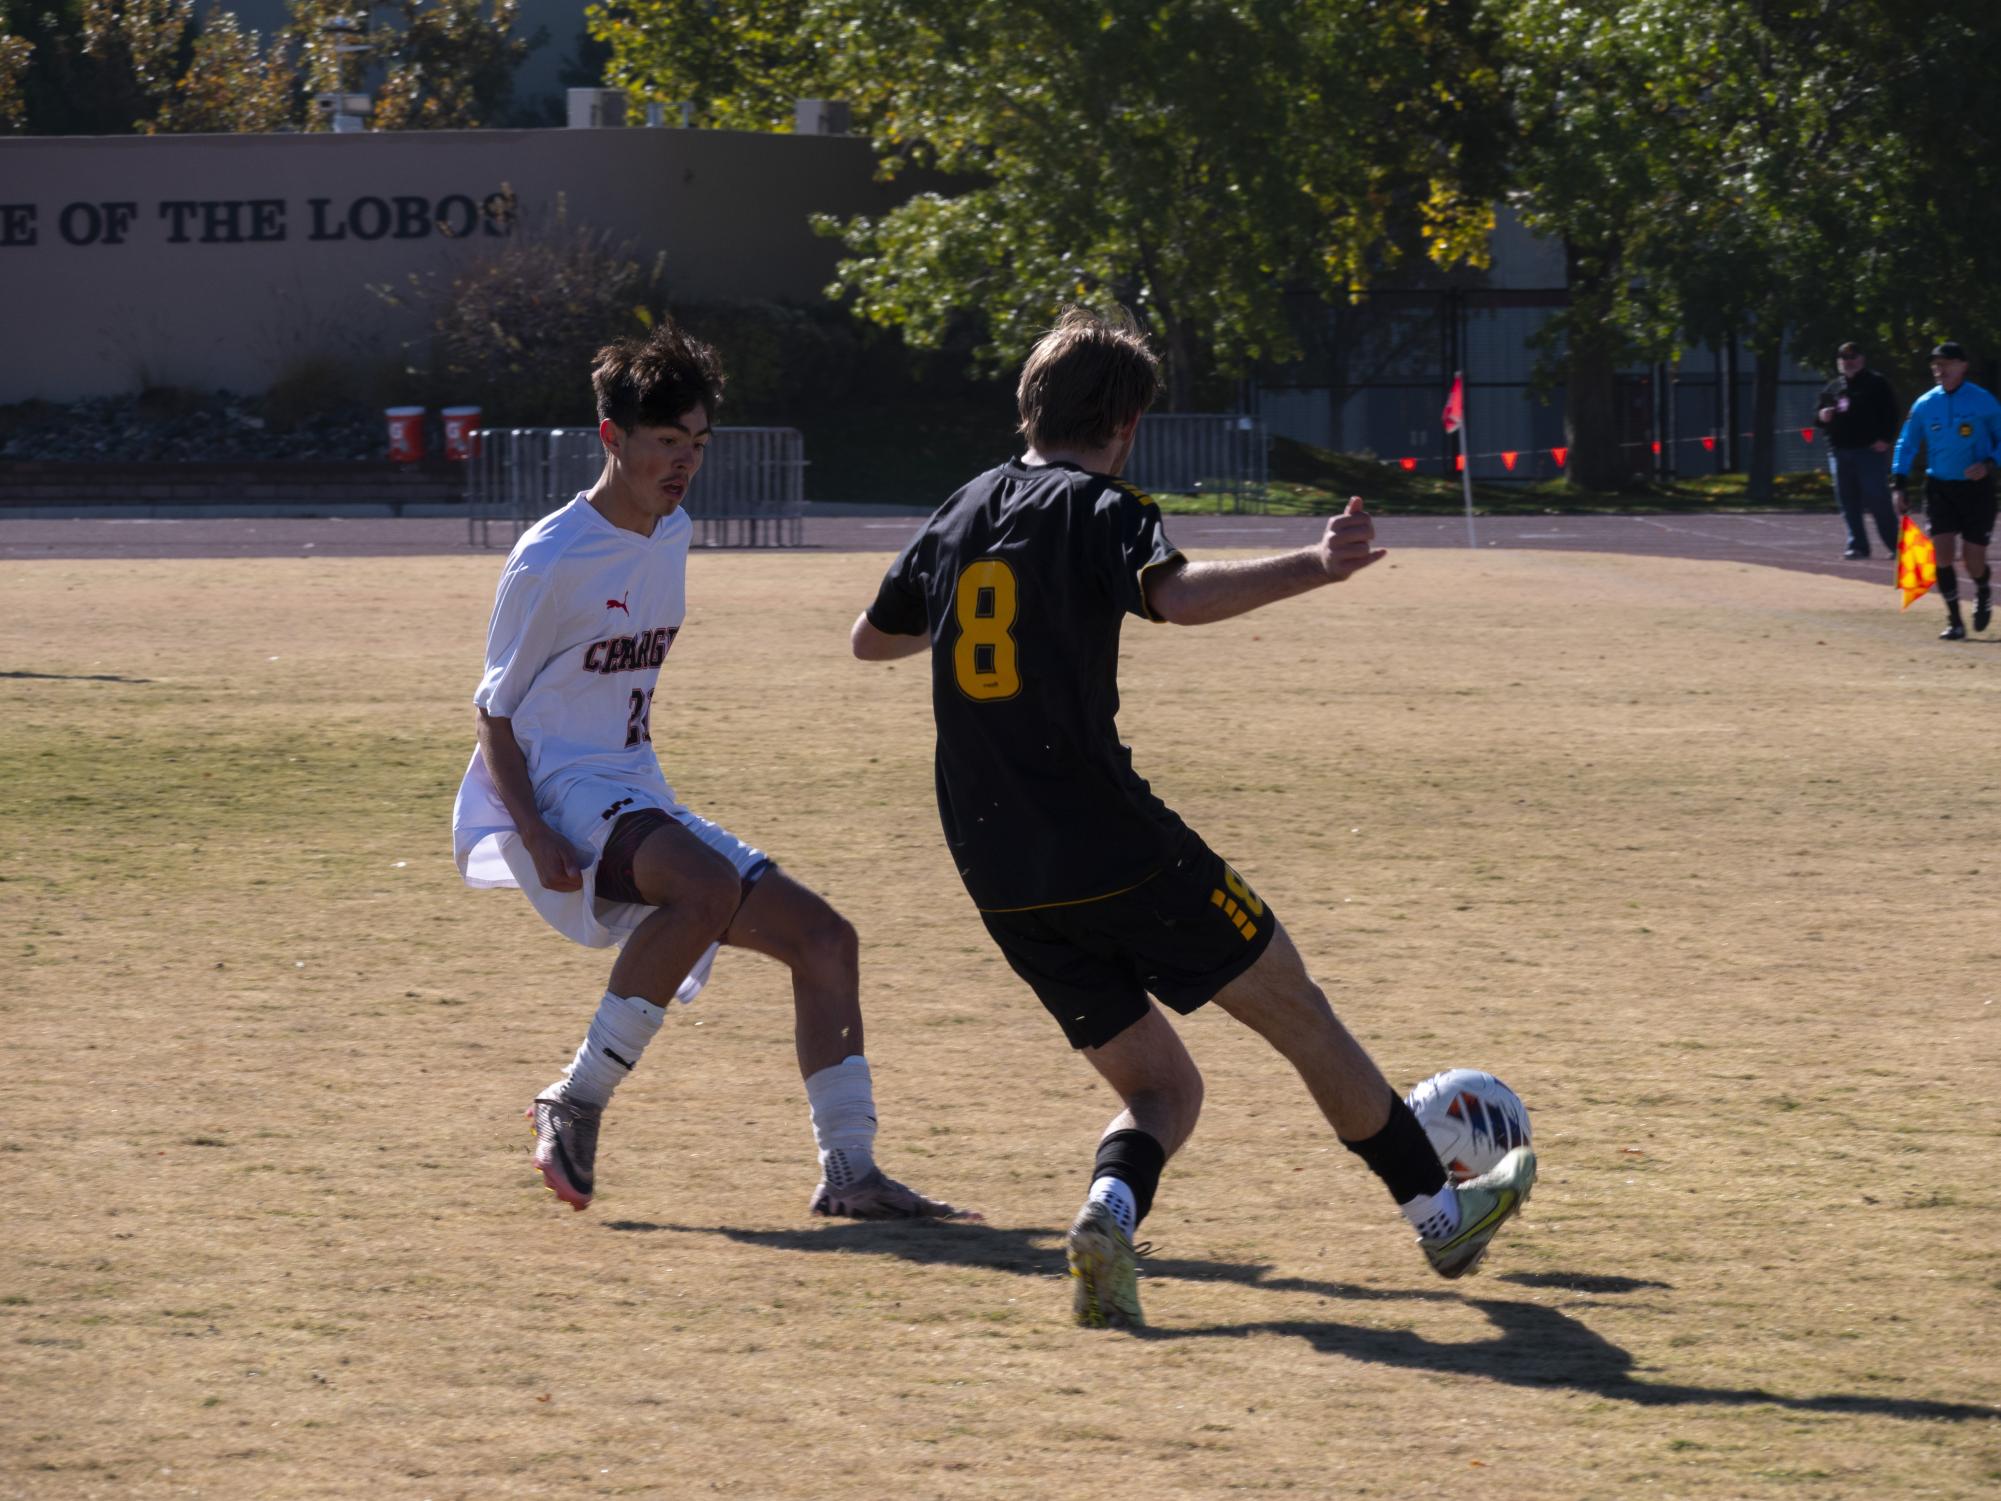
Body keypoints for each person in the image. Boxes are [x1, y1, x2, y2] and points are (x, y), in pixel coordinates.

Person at [848, 307, 1533, 1329]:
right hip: (1107, 837)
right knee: (1294, 1003)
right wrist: (1317, 563)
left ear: (1031, 404)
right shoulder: (1099, 504)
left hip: (994, 863)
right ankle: (1441, 1215)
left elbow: (872, 639)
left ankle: (1106, 1219)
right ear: (1123, 423)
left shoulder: (962, 507)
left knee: (1164, 1089)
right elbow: (1177, 596)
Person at [452, 322, 971, 1222]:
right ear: (612, 437)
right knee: (704, 888)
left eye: (696, 444)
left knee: (826, 940)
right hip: (562, 790)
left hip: (633, 787)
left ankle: (851, 1170)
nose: (684, 462)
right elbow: (492, 709)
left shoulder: (672, 530)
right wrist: (533, 829)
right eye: (665, 442)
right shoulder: (549, 555)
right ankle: (573, 1100)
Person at [1892, 341, 2001, 640]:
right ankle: (1954, 621)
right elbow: (1907, 442)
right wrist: (1898, 482)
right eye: (1935, 365)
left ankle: (1981, 589)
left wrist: (1990, 463)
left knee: (1973, 559)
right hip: (1939, 487)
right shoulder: (1925, 404)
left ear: (1963, 365)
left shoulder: (1983, 401)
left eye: (1947, 363)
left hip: (1977, 490)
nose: (1940, 370)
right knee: (1941, 554)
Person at [1815, 341, 1899, 560]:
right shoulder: (1833, 387)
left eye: (1853, 358)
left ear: (1862, 359)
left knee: (1877, 499)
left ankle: (1896, 545)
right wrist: (1822, 416)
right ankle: (1858, 545)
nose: (1849, 362)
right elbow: (1817, 417)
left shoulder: (1877, 383)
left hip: (1869, 451)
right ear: (1838, 362)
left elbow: (1892, 413)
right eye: (1844, 358)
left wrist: (1886, 439)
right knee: (1848, 501)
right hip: (1839, 452)